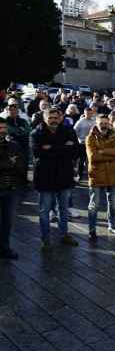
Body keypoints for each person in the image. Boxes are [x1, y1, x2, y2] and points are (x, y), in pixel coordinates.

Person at [31, 108, 80, 252]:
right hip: (45, 178)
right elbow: (37, 153)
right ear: (44, 118)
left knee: (64, 209)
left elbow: (75, 151)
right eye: (50, 117)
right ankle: (45, 240)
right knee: (44, 211)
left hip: (64, 176)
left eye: (55, 117)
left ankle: (64, 234)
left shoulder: (68, 131)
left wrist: (51, 148)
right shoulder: (36, 133)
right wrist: (63, 148)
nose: (53, 120)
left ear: (59, 118)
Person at [86, 114, 115, 242]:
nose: (103, 125)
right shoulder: (90, 138)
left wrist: (102, 151)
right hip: (97, 175)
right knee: (94, 205)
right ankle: (92, 230)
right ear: (96, 123)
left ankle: (112, 225)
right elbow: (93, 157)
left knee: (113, 204)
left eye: (105, 123)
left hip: (113, 174)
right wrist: (111, 153)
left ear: (109, 123)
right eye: (101, 123)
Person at [0, 117, 27, 260]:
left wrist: (10, 164)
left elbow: (21, 165)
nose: (2, 131)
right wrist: (8, 162)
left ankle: (5, 248)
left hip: (10, 188)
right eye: (0, 128)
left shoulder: (13, 145)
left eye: (4, 128)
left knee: (7, 221)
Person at [74, 106, 97, 181]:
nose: (89, 115)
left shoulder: (94, 121)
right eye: (87, 113)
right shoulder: (80, 121)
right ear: (84, 113)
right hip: (82, 143)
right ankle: (79, 176)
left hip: (92, 143)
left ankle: (91, 174)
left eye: (90, 113)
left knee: (91, 159)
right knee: (82, 160)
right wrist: (77, 140)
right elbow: (74, 132)